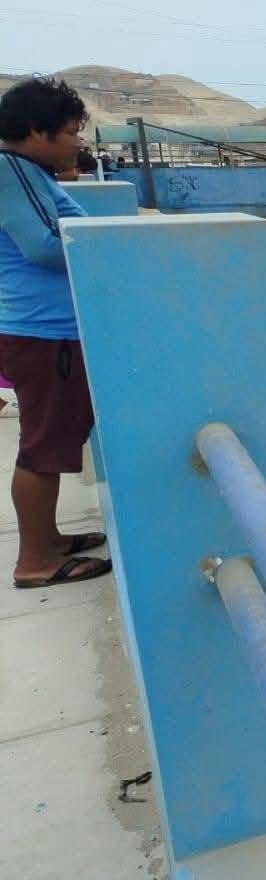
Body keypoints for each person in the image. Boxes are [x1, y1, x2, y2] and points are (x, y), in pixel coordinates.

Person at [0, 77, 113, 589]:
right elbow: (46, 247)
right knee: (43, 448)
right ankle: (36, 562)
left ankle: (47, 539)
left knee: (47, 441)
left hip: (47, 332)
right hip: (45, 334)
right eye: (70, 132)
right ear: (34, 131)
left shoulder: (28, 171)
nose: (78, 143)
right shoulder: (11, 171)